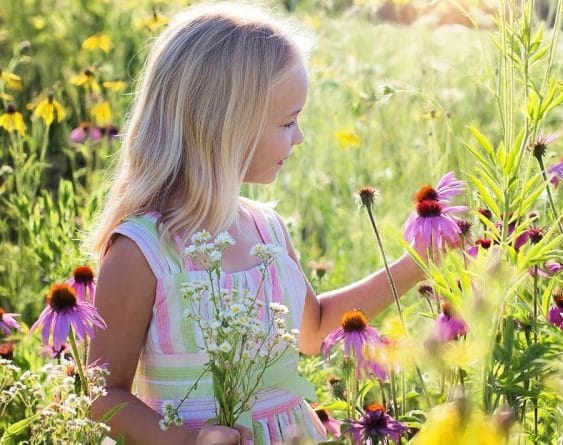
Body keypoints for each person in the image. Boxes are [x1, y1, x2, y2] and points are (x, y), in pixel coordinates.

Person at [86, 3, 427, 444]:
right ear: (224, 126)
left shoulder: (267, 228)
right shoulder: (142, 252)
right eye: (288, 122)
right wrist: (190, 441)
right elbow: (102, 395)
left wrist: (416, 263)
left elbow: (315, 329)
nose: (300, 137)